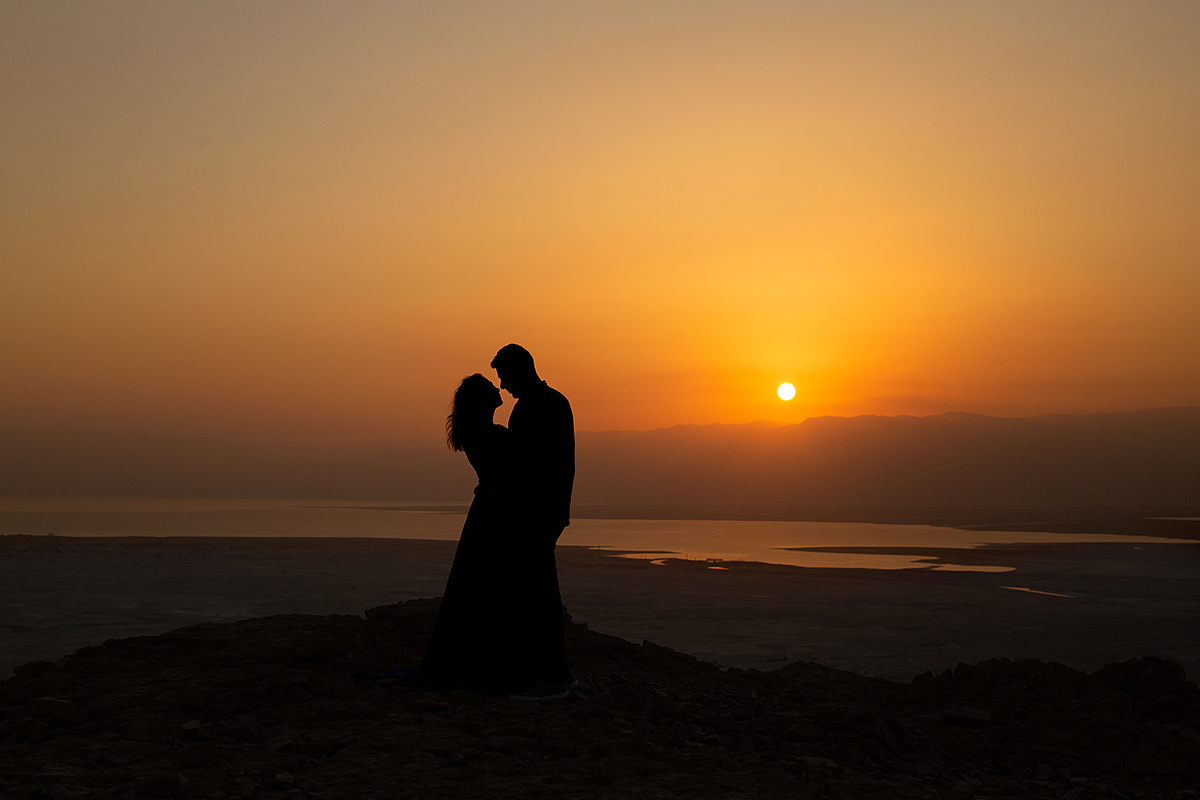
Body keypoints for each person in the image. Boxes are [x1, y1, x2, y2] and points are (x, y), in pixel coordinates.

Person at [410, 373, 542, 696]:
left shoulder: (477, 435)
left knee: (482, 583)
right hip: (497, 515)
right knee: (494, 583)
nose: (498, 390)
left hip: (488, 512)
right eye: (490, 389)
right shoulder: (490, 436)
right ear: (482, 402)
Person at [490, 344, 577, 698]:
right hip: (547, 512)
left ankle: (551, 677)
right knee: (539, 590)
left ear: (521, 370)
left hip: (534, 515)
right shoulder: (554, 401)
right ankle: (553, 671)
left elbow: (530, 467)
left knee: (538, 594)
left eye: (505, 377)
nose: (504, 386)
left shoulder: (533, 408)